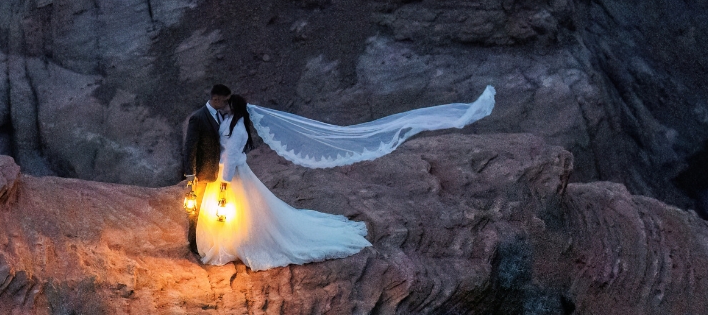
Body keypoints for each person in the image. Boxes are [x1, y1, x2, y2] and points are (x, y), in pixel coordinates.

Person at [184, 85, 496, 271]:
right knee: (242, 215)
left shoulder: (236, 128)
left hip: (233, 176)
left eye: (225, 104)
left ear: (232, 107)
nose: (221, 106)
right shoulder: (228, 120)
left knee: (243, 217)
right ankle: (227, 243)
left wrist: (223, 182)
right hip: (230, 175)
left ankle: (234, 246)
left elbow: (232, 154)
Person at [181, 84, 232, 255]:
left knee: (213, 207)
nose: (226, 104)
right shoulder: (198, 118)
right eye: (224, 101)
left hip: (218, 171)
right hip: (203, 172)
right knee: (197, 208)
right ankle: (193, 243)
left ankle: (208, 239)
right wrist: (190, 174)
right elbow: (190, 148)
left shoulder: (220, 115)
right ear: (216, 99)